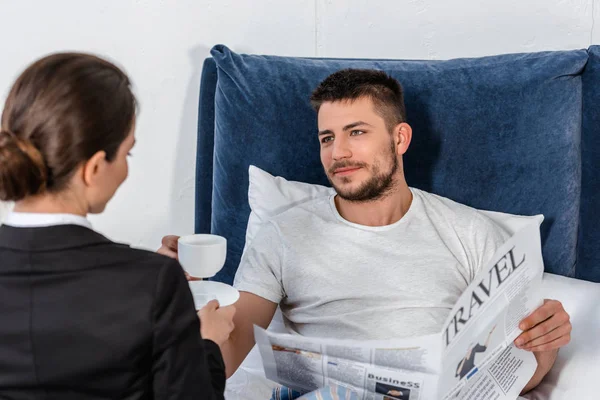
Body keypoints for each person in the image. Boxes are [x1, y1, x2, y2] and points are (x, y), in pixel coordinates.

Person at [159, 69, 571, 394]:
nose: (338, 153)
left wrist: (545, 344)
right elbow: (229, 349)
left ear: (400, 137)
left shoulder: (470, 233)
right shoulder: (282, 235)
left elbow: (517, 374)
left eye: (356, 132)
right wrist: (177, 302)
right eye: (327, 137)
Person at [0, 52, 234, 399]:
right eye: (127, 154)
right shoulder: (152, 284)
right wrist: (207, 345)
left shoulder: (150, 282)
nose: (126, 168)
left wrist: (147, 276)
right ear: (94, 168)